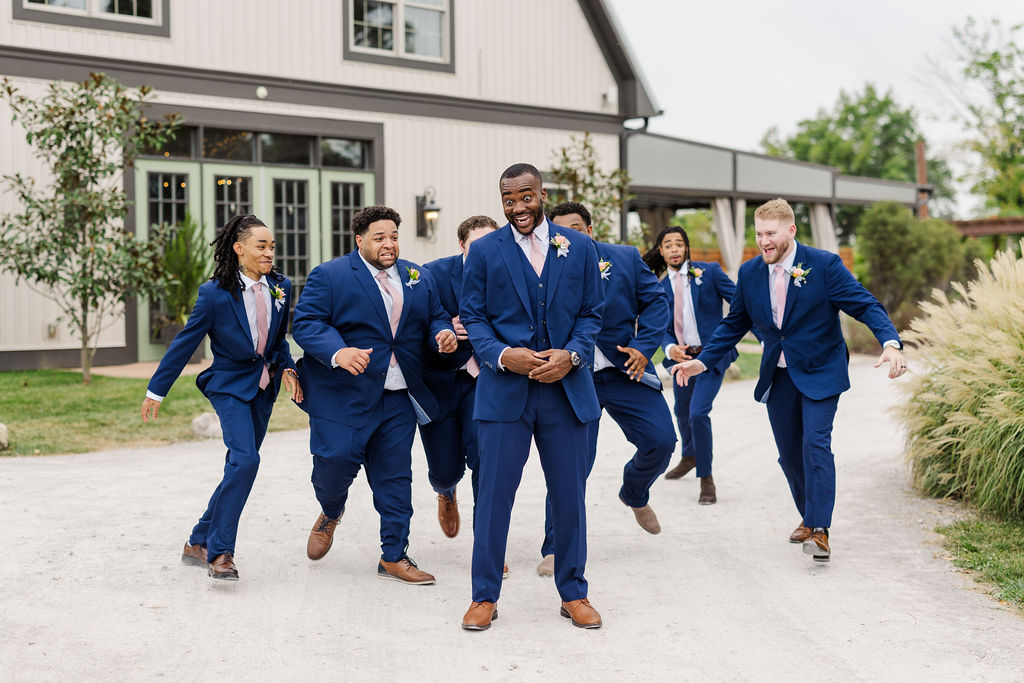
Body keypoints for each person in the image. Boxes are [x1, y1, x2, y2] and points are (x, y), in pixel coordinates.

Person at [672, 198, 908, 562]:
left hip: (821, 369)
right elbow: (733, 324)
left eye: (771, 233)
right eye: (759, 233)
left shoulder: (824, 265)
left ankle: (820, 527)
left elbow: (865, 305)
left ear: (790, 230)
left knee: (816, 444)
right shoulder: (750, 273)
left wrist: (890, 343)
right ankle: (809, 516)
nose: (764, 241)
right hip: (778, 376)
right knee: (789, 454)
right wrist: (701, 363)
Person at [459, 163, 604, 631]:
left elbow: (591, 312)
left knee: (569, 497)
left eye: (525, 196)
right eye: (508, 199)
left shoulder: (579, 246)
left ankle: (574, 593)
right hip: (505, 394)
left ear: (542, 194)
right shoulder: (484, 251)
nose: (517, 206)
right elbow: (473, 317)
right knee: (494, 498)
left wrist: (573, 356)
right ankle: (484, 596)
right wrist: (502, 355)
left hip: (564, 392)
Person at [291, 205, 457, 585]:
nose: (389, 244)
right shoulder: (330, 275)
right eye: (380, 237)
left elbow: (436, 315)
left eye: (394, 236)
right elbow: (307, 322)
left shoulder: (417, 275)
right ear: (360, 240)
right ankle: (331, 511)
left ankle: (394, 556)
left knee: (396, 477)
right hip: (343, 394)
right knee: (332, 464)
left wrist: (441, 333)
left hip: (398, 394)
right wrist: (338, 352)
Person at [141, 214, 302, 581]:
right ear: (239, 248)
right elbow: (185, 342)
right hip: (228, 386)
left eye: (272, 246)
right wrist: (156, 390)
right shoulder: (214, 294)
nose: (269, 253)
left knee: (239, 466)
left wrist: (289, 367)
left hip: (263, 387)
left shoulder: (281, 286)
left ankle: (197, 541)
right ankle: (220, 552)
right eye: (261, 246)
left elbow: (278, 340)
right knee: (245, 461)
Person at [534, 202, 674, 577]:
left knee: (662, 440)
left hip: (624, 369)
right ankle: (556, 547)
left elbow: (657, 301)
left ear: (591, 229)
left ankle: (634, 492)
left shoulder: (624, 258)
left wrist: (645, 349)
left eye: (577, 228)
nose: (570, 236)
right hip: (575, 376)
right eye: (561, 231)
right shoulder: (542, 267)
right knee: (571, 463)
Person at [642, 226, 737, 505]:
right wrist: (670, 347)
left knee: (698, 413)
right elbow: (658, 325)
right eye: (668, 245)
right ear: (661, 251)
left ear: (687, 248)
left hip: (711, 357)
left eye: (679, 244)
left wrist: (766, 335)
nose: (674, 249)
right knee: (681, 410)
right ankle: (690, 456)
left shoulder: (710, 273)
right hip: (681, 360)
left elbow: (741, 305)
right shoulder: (657, 287)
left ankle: (706, 479)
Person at [418, 215, 498, 541]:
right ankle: (445, 491)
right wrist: (442, 331)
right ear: (462, 245)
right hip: (440, 379)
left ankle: (488, 543)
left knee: (486, 457)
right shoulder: (432, 274)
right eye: (478, 245)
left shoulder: (511, 275)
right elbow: (413, 326)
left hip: (486, 382)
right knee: (444, 468)